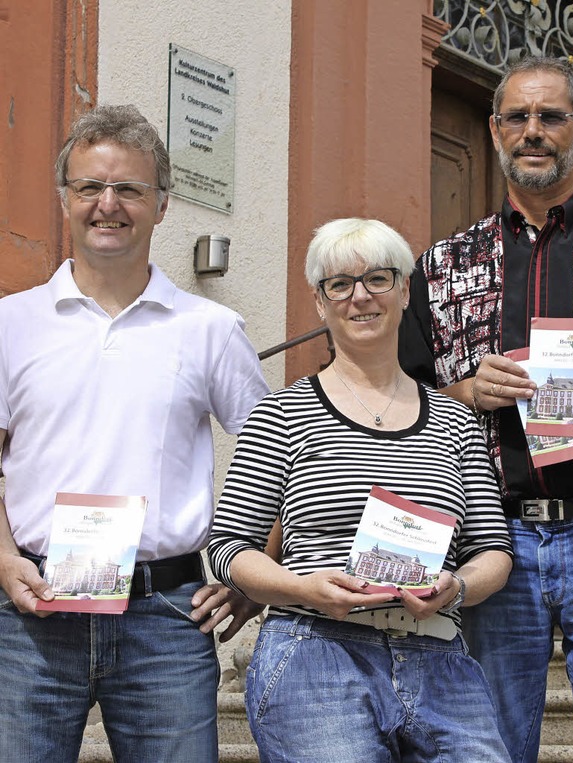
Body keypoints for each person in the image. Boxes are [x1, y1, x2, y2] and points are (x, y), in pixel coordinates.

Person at [0, 104, 269, 763]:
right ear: (66, 198)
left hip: (167, 616)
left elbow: (282, 458)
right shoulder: (12, 323)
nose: (108, 204)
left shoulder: (209, 328)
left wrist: (253, 575)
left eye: (129, 189)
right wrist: (4, 558)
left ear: (163, 204)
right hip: (31, 615)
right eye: (90, 186)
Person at [399, 56, 573, 763]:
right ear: (495, 129)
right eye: (518, 117)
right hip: (492, 541)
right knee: (488, 746)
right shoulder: (442, 267)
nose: (533, 131)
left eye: (551, 116)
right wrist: (466, 394)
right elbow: (401, 406)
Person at [208, 217, 513, 763]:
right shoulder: (281, 412)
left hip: (439, 655)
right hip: (315, 651)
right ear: (320, 304)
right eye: (339, 284)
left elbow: (491, 551)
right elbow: (229, 547)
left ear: (403, 292)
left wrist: (457, 587)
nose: (360, 297)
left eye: (377, 278)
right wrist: (303, 586)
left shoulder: (456, 420)